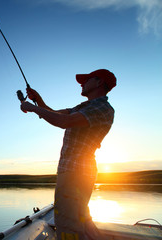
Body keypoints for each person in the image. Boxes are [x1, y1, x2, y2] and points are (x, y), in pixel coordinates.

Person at [20, 69, 116, 240]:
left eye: (86, 80)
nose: (82, 83)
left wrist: (31, 108)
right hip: (75, 172)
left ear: (99, 82)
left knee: (67, 223)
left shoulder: (102, 108)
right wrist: (38, 100)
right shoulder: (82, 107)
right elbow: (55, 113)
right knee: (83, 219)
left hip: (76, 173)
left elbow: (63, 122)